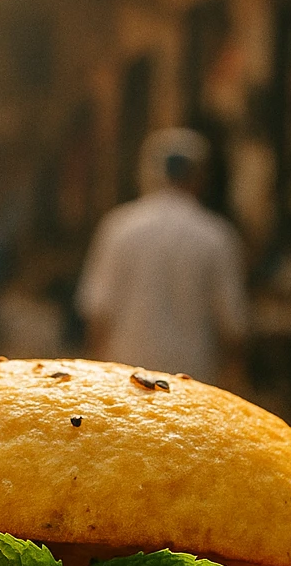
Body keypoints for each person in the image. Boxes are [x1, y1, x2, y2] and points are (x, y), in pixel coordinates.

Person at [76, 128, 248, 386]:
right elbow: (232, 324)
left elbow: (98, 311)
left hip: (125, 379)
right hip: (193, 380)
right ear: (201, 175)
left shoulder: (120, 227)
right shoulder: (216, 235)